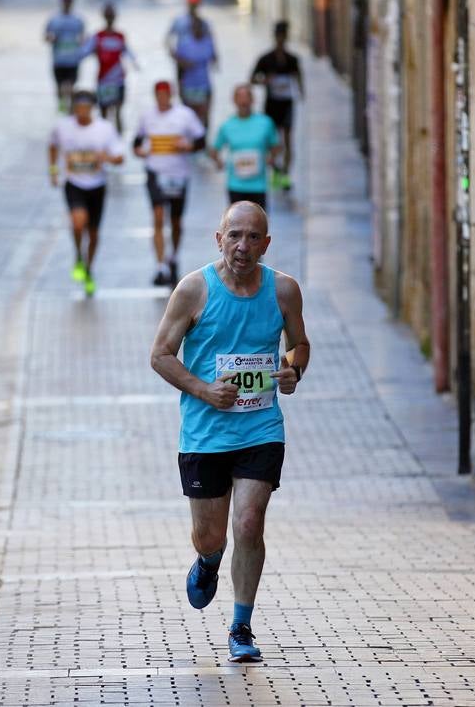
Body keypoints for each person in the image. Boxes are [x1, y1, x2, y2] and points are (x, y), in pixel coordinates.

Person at [150, 201, 310, 662]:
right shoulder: (194, 290)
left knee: (249, 522)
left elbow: (299, 345)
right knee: (211, 535)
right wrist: (202, 389)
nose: (243, 246)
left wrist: (293, 370)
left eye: (253, 237)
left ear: (266, 243)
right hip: (205, 434)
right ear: (218, 239)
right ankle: (208, 561)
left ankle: (241, 626)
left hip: (261, 427)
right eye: (234, 236)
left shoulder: (283, 290)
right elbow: (160, 354)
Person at [48, 89, 124, 296]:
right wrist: (54, 170)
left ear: (92, 108)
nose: (82, 112)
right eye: (78, 108)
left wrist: (105, 158)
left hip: (97, 185)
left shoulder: (104, 129)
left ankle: (88, 267)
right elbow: (53, 145)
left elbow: (120, 157)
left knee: (94, 233)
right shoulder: (63, 127)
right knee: (78, 222)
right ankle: (78, 255)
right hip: (73, 183)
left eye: (86, 108)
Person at [133, 80, 206, 286]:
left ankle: (173, 256)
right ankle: (160, 265)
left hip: (178, 175)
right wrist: (140, 151)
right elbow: (136, 143)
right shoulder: (147, 117)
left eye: (166, 95)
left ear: (171, 95)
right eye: (159, 95)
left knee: (175, 221)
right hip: (155, 172)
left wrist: (188, 145)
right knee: (157, 217)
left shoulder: (185, 115)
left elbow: (201, 140)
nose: (162, 99)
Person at [250, 21, 304, 191]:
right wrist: (266, 80)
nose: (281, 39)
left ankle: (285, 175)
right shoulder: (265, 59)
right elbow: (252, 79)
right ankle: (276, 171)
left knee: (288, 139)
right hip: (271, 104)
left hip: (286, 103)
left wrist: (300, 91)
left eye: (283, 36)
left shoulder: (292, 59)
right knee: (272, 141)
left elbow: (298, 77)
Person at [209, 84, 281, 210]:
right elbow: (214, 149)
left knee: (258, 225)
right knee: (237, 225)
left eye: (246, 97)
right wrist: (219, 162)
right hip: (235, 185)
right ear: (234, 100)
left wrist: (271, 158)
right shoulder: (227, 125)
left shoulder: (265, 123)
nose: (243, 101)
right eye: (240, 97)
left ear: (252, 100)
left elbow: (276, 145)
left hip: (258, 185)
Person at [81, 4, 138, 134]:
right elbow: (83, 53)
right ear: (104, 17)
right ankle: (104, 140)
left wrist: (135, 63)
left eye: (111, 15)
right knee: (104, 115)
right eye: (108, 15)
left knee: (118, 112)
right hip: (103, 80)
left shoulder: (120, 36)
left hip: (118, 79)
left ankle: (119, 144)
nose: (110, 18)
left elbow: (128, 51)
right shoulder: (98, 36)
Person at [165, 0, 217, 92]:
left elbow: (210, 40)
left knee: (203, 85)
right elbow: (168, 40)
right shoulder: (179, 21)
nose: (193, 6)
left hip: (200, 59)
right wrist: (175, 57)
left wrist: (214, 57)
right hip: (183, 60)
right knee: (183, 86)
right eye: (191, 4)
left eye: (195, 4)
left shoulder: (204, 22)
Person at [44, 0, 85, 113]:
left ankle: (70, 108)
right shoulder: (54, 19)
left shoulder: (78, 20)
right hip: (59, 59)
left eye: (69, 0)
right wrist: (52, 39)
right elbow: (46, 36)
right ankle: (62, 104)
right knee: (59, 86)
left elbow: (83, 38)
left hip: (72, 59)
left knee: (71, 85)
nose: (67, 2)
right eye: (65, 0)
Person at [174, 15, 217, 127]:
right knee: (189, 118)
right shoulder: (183, 45)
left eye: (199, 27)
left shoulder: (208, 43)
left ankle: (204, 141)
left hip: (204, 84)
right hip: (188, 86)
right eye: (194, 27)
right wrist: (179, 86)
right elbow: (179, 69)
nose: (197, 29)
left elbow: (215, 61)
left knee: (205, 116)